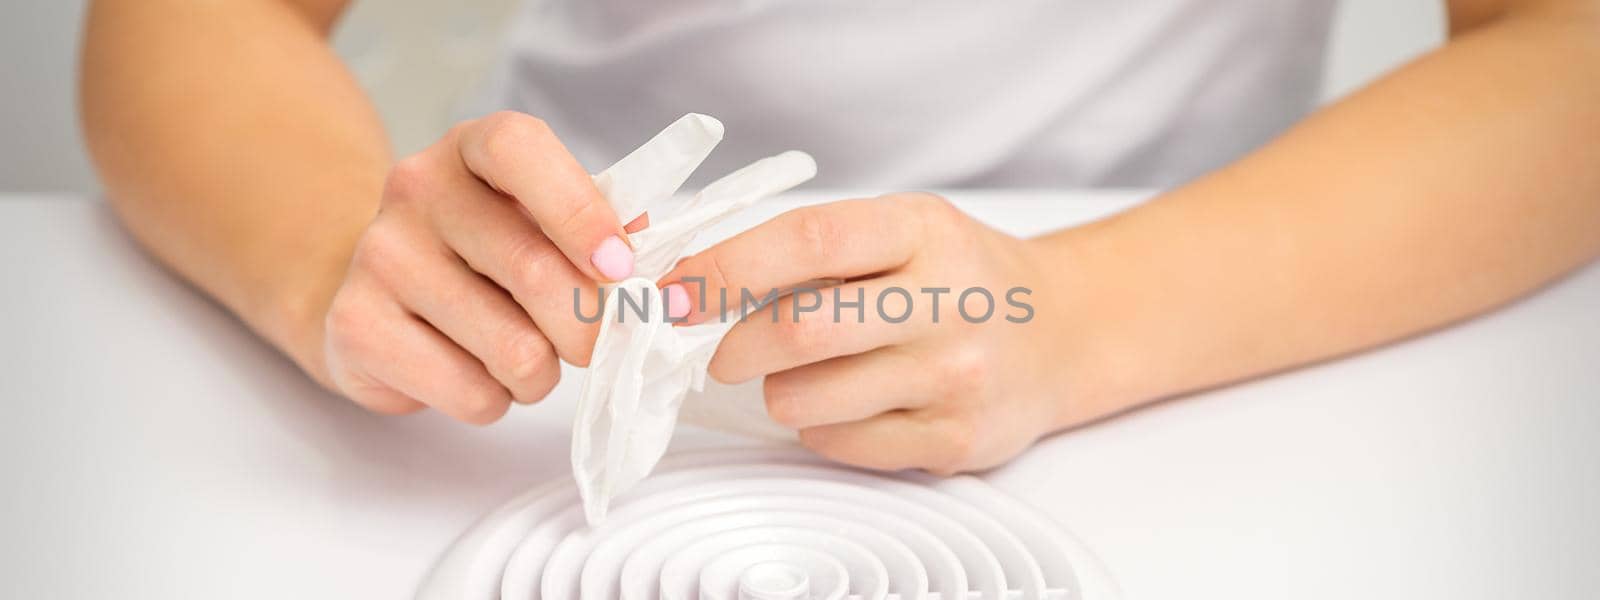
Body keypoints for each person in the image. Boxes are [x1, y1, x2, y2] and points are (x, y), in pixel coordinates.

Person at [81, 0, 1600, 474]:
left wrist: (1077, 318)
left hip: (1221, 317)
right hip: (538, 358)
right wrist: (342, 249)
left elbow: (1565, 58)